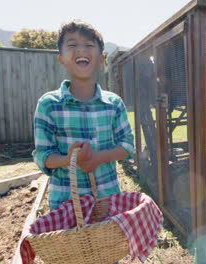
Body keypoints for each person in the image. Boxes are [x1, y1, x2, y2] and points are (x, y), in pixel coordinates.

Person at [32, 20, 134, 210]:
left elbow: (127, 146)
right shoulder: (48, 105)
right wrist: (69, 159)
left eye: (89, 45)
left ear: (102, 58)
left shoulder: (114, 104)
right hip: (66, 205)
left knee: (107, 241)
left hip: (107, 200)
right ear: (61, 58)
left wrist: (98, 157)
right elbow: (42, 156)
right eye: (72, 45)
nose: (81, 50)